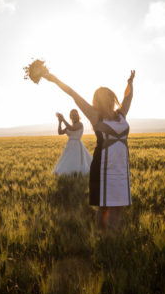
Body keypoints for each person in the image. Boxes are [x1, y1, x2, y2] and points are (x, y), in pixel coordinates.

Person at [42, 69, 135, 231]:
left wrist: (130, 83)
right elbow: (73, 94)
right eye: (104, 97)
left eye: (110, 97)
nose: (109, 100)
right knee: (104, 206)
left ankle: (110, 241)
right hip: (103, 167)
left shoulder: (121, 115)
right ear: (98, 101)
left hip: (121, 168)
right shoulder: (95, 115)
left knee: (118, 206)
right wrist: (55, 80)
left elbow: (128, 98)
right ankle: (103, 238)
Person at [52, 109, 92, 175]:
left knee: (76, 160)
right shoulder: (69, 125)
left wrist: (63, 119)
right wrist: (60, 122)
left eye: (75, 115)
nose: (74, 116)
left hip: (77, 145)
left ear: (78, 116)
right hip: (69, 146)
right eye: (72, 115)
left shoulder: (80, 124)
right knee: (67, 160)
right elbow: (60, 132)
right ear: (70, 117)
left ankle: (75, 173)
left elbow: (72, 128)